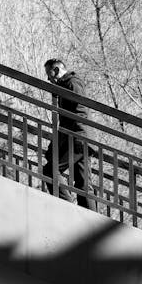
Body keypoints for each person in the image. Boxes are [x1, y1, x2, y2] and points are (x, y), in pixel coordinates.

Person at [42, 57, 97, 210]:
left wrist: (60, 144)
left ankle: (67, 208)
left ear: (57, 70)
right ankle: (92, 218)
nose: (48, 78)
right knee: (83, 183)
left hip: (78, 137)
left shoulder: (72, 83)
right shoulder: (68, 84)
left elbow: (78, 111)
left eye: (49, 74)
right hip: (83, 138)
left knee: (51, 170)